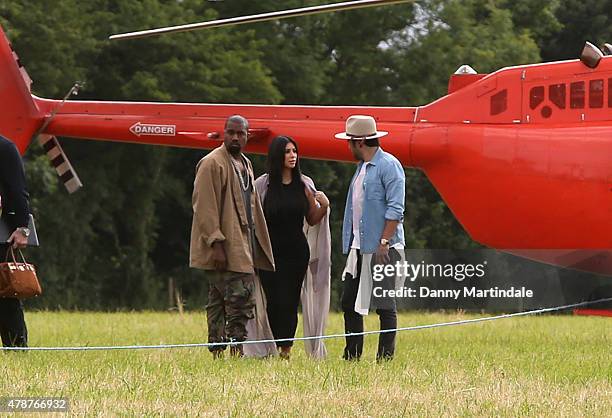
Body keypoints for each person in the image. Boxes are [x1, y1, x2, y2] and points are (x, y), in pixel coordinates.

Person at [190, 115, 275, 358]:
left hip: (243, 243)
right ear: (223, 133)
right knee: (237, 299)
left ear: (248, 136)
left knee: (226, 299)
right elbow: (204, 205)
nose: (236, 137)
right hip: (225, 245)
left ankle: (231, 351)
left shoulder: (245, 163)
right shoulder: (211, 163)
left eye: (241, 133)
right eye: (231, 132)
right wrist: (215, 242)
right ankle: (226, 351)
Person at [334, 115, 406, 361]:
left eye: (350, 142)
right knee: (349, 302)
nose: (348, 147)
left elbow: (396, 208)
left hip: (382, 248)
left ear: (360, 142)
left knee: (384, 305)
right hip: (358, 247)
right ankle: (352, 355)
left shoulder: (389, 165)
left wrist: (384, 242)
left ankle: (385, 358)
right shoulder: (362, 168)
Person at [252, 136, 331, 360]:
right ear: (278, 155)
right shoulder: (263, 185)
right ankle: (270, 346)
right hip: (269, 254)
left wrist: (324, 205)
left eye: (295, 151)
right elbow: (254, 218)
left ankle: (285, 349)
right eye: (287, 152)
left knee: (289, 301)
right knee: (273, 301)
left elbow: (312, 218)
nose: (293, 156)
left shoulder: (304, 185)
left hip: (296, 253)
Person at [0, 135, 30, 348]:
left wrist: (22, 228)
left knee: (5, 296)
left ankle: (17, 348)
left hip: (1, 235)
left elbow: (17, 191)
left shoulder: (5, 148)